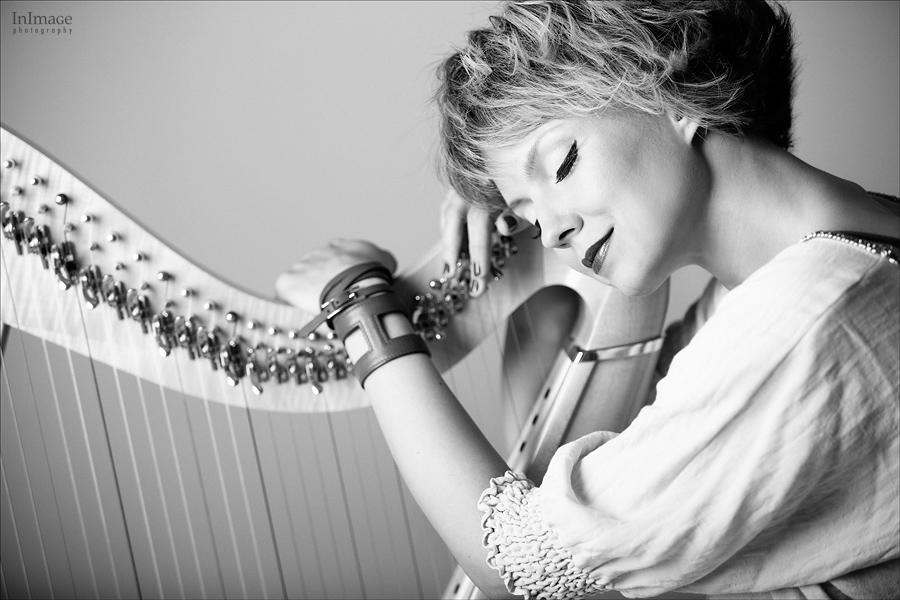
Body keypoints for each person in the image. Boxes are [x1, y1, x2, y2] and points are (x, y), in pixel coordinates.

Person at [276, 1, 900, 598]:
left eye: (563, 162)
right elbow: (589, 444)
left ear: (677, 93)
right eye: (528, 216)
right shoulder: (842, 251)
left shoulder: (804, 320)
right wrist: (524, 223)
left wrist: (360, 306)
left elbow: (514, 562)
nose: (550, 233)